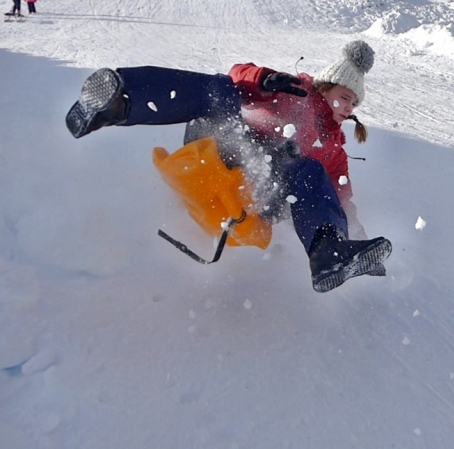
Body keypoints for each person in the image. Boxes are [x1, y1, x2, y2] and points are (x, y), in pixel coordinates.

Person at [64, 40, 392, 293]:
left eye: (353, 103)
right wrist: (263, 80)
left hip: (259, 194)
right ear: (325, 85)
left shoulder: (334, 150)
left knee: (306, 169)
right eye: (345, 96)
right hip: (223, 149)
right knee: (223, 90)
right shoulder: (295, 90)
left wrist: (356, 243)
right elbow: (238, 74)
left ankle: (329, 255)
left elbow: (340, 200)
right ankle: (119, 103)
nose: (348, 108)